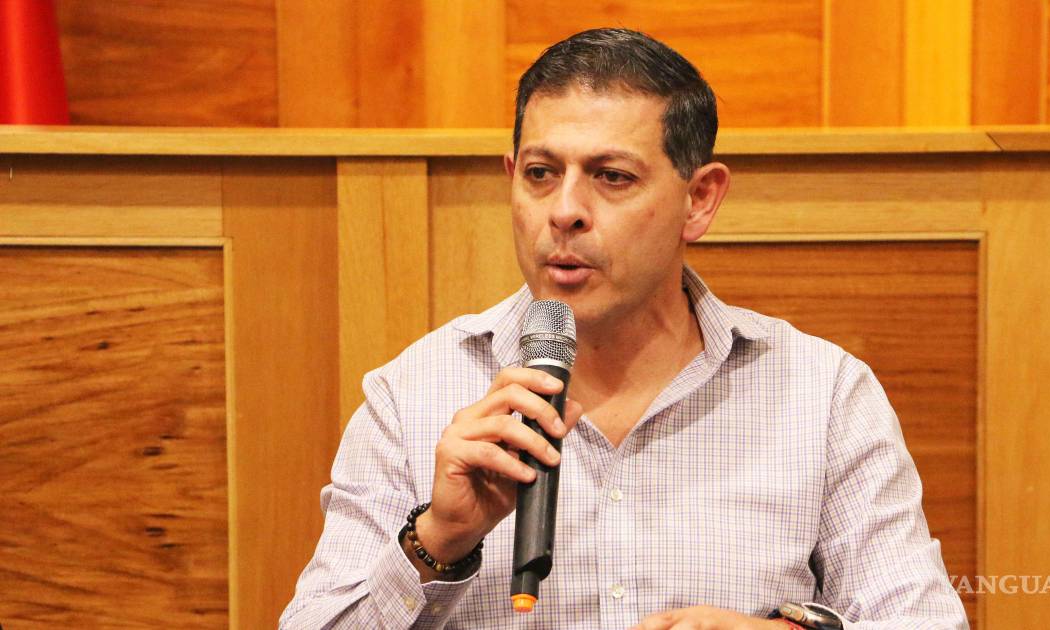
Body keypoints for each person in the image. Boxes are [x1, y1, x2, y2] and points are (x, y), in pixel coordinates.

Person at [280, 28, 968, 629]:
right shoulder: (413, 394)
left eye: (611, 177)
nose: (564, 211)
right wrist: (437, 540)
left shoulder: (820, 393)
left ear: (700, 199)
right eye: (540, 173)